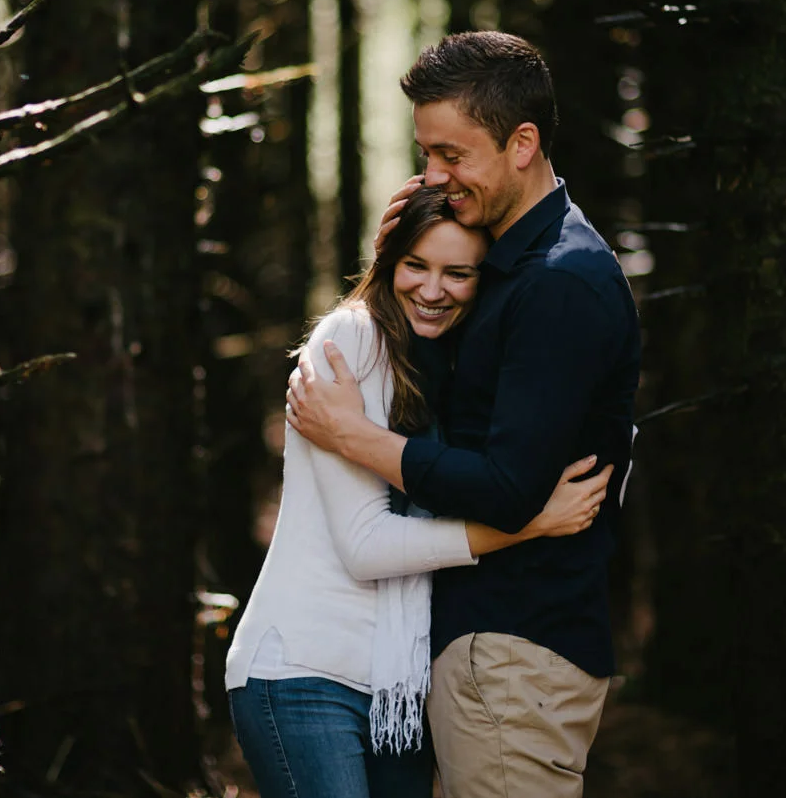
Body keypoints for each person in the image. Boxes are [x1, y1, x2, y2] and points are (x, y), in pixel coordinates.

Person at [285, 31, 641, 798]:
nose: (433, 176)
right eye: (427, 154)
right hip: (481, 650)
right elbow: (467, 420)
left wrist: (354, 435)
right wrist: (398, 277)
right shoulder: (507, 267)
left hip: (515, 649)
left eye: (452, 155)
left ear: (522, 143)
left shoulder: (561, 281)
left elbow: (509, 483)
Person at [227, 185, 614, 798]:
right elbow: (365, 545)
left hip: (396, 691)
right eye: (416, 265)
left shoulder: (440, 360)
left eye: (457, 273)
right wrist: (527, 524)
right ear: (388, 263)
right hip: (304, 672)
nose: (433, 290)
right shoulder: (351, 340)